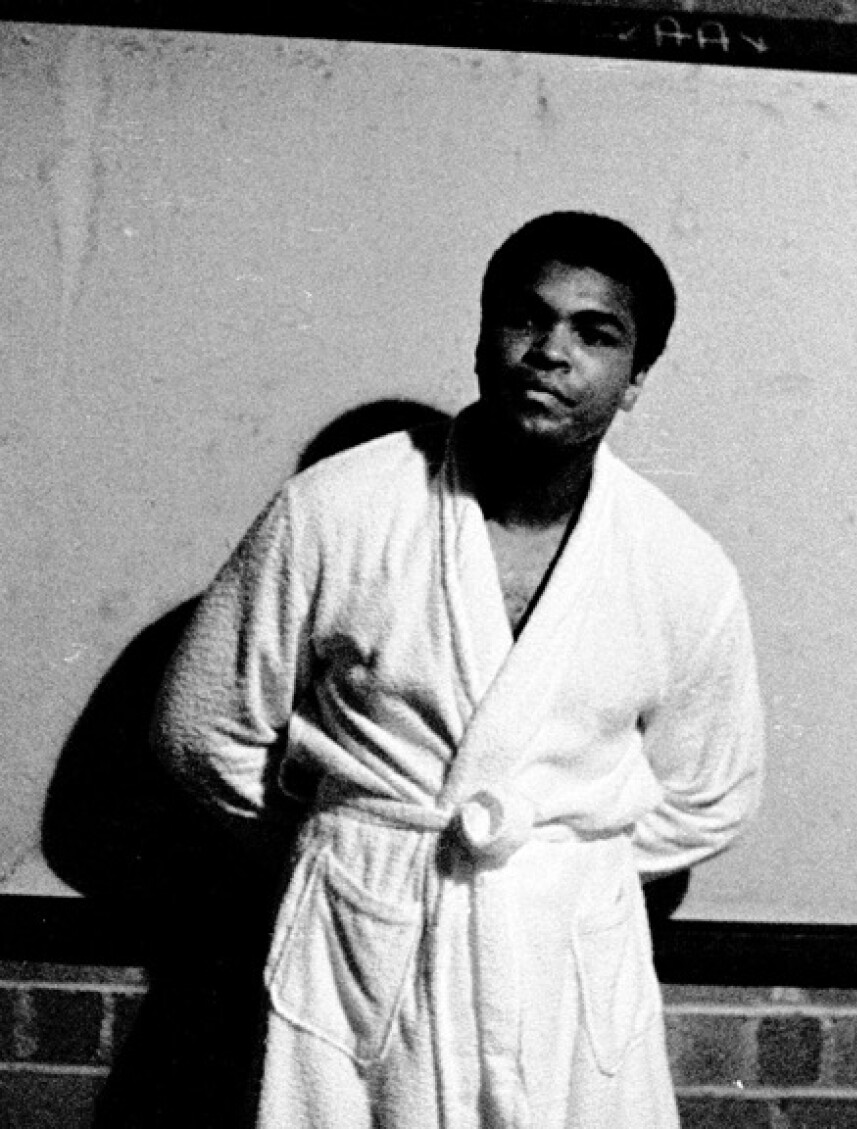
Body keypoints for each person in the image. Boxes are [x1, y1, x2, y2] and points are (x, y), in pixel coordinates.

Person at [151, 211, 764, 1129]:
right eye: (527, 318)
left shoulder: (681, 567)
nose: (550, 352)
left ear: (636, 378)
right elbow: (202, 729)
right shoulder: (336, 511)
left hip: (565, 958)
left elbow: (711, 791)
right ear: (485, 334)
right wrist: (346, 845)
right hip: (361, 937)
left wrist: (546, 863)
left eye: (595, 333)